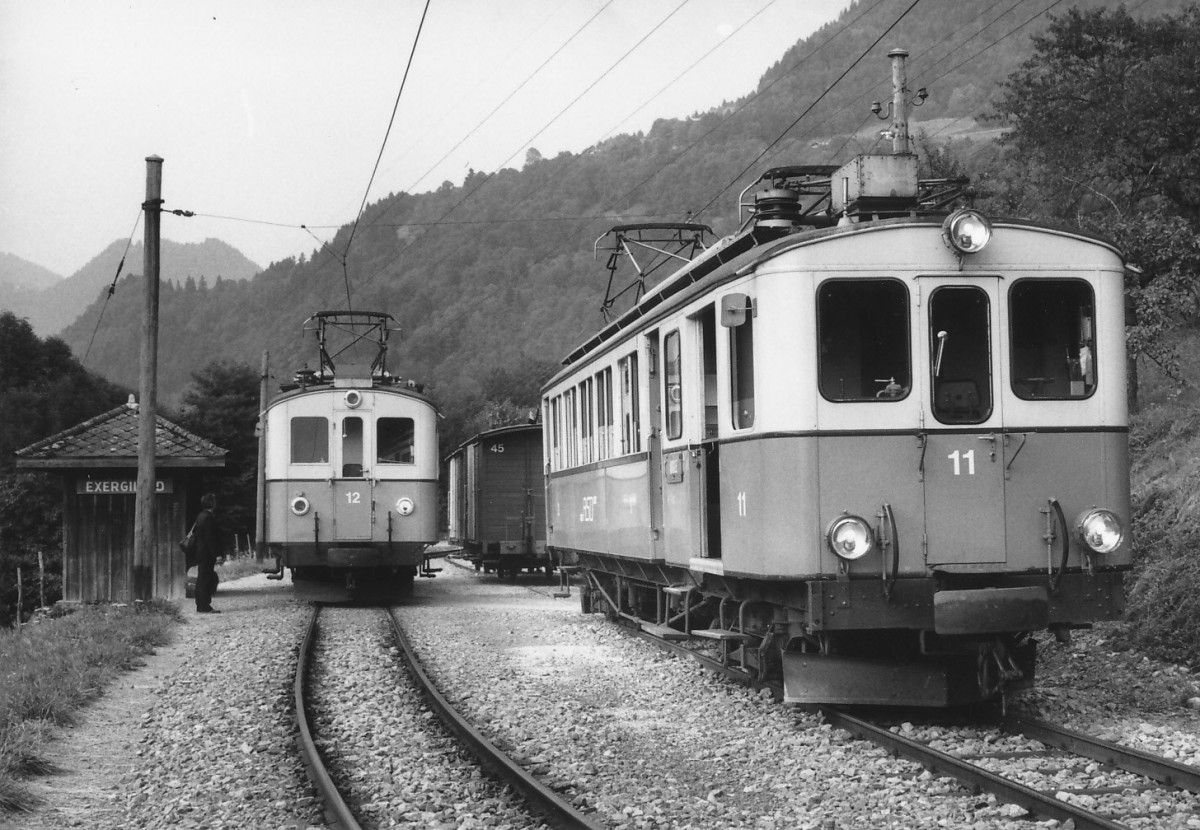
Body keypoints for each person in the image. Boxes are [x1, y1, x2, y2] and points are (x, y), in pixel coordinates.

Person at [193, 492, 221, 613]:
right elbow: (211, 538)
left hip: (200, 552)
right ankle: (205, 605)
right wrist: (217, 554)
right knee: (206, 579)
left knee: (201, 578)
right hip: (207, 553)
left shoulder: (200, 516)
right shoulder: (208, 518)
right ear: (212, 503)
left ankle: (200, 604)